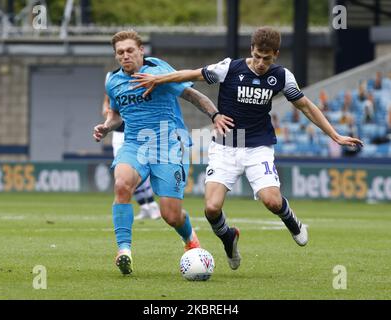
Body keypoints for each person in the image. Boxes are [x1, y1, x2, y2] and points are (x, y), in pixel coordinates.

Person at [131, 26, 364, 271]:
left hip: (257, 147)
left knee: (272, 202)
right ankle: (228, 239)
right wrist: (158, 79)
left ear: (276, 54)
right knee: (211, 208)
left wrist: (335, 134)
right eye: (258, 56)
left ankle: (291, 220)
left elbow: (305, 106)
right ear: (251, 49)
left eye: (268, 58)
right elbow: (192, 74)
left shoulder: (282, 76)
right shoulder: (230, 68)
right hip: (225, 147)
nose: (262, 62)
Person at [93, 30, 233, 275]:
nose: (125, 56)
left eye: (129, 51)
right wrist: (106, 127)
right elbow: (115, 115)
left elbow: (191, 94)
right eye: (120, 53)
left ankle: (190, 240)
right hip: (135, 144)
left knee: (170, 215)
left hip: (169, 145)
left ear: (141, 51)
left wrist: (215, 115)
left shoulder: (158, 71)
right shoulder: (112, 81)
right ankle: (123, 250)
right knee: (122, 184)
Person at [102, 93, 161, 220]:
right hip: (118, 135)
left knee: (138, 169)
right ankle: (144, 206)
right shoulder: (113, 82)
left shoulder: (136, 82)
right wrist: (109, 111)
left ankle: (152, 204)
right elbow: (106, 107)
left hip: (135, 133)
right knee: (124, 173)